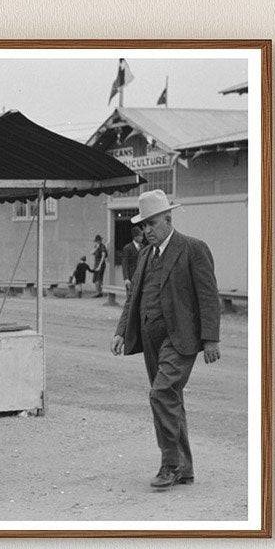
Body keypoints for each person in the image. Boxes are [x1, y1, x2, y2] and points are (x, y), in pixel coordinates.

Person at [111, 189, 221, 490]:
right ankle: (184, 469)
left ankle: (170, 464)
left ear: (168, 219)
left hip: (181, 338)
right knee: (170, 399)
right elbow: (133, 297)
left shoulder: (193, 249)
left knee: (161, 393)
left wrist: (211, 339)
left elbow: (209, 297)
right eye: (143, 226)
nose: (146, 231)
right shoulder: (145, 254)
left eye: (151, 224)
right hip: (150, 339)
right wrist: (121, 331)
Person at [121, 222, 145, 299]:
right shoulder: (127, 248)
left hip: (141, 276)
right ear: (135, 237)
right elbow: (124, 264)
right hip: (131, 277)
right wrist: (126, 278)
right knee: (130, 298)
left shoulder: (143, 247)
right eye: (140, 236)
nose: (142, 238)